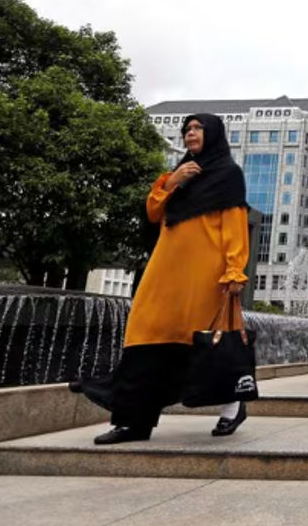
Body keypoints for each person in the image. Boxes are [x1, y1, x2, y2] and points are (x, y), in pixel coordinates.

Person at [77, 113, 251, 444]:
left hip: (206, 275)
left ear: (213, 133)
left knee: (206, 344)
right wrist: (171, 182)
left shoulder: (229, 174)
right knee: (144, 336)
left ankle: (232, 406)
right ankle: (132, 423)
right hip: (165, 270)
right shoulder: (178, 175)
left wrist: (234, 271)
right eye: (187, 129)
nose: (190, 134)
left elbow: (235, 227)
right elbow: (154, 214)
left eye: (198, 128)